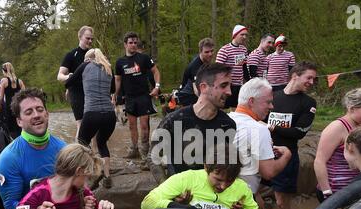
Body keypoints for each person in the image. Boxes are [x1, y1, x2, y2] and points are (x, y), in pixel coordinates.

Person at [142, 143, 273, 209]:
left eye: (229, 181)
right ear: (206, 167)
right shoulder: (186, 179)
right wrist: (176, 207)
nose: (223, 186)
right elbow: (147, 202)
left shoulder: (241, 187)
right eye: (218, 179)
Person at [147, 63, 236, 184]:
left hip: (211, 194)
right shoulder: (175, 119)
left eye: (230, 86)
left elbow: (226, 166)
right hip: (179, 191)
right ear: (204, 87)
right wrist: (167, 188)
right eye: (223, 85)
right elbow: (153, 157)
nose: (229, 92)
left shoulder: (227, 125)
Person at [267, 61, 317, 209]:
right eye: (308, 77)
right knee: (252, 192)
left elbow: (298, 133)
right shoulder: (273, 96)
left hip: (286, 157)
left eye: (314, 79)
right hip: (263, 154)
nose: (312, 82)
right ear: (295, 76)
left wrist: (271, 127)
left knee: (282, 203)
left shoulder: (308, 103)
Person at [229, 78, 291, 195]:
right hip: (242, 196)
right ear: (251, 101)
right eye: (268, 102)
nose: (272, 106)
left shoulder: (227, 119)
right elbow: (268, 172)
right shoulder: (259, 129)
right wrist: (287, 155)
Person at [65, 48, 116, 188]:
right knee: (102, 143)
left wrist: (72, 75)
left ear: (88, 58)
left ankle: (93, 172)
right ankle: (107, 176)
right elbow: (112, 90)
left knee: (81, 144)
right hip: (110, 115)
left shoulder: (85, 65)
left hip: (92, 113)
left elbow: (68, 83)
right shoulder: (108, 69)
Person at [114, 31, 161, 164]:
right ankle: (134, 149)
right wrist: (116, 96)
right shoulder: (119, 62)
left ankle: (145, 153)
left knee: (144, 126)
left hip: (143, 97)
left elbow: (156, 71)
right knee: (132, 126)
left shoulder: (144, 58)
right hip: (129, 98)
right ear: (125, 44)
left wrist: (157, 87)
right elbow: (117, 80)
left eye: (135, 42)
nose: (133, 45)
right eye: (130, 43)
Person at [57, 26, 94, 139]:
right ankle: (79, 154)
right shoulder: (71, 55)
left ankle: (95, 155)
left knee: (94, 125)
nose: (90, 41)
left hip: (92, 93)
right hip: (76, 92)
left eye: (92, 39)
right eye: (88, 38)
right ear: (80, 37)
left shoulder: (95, 54)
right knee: (81, 124)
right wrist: (69, 76)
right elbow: (59, 76)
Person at [216, 24, 249, 108]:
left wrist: (248, 82)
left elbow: (244, 67)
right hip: (227, 85)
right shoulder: (224, 50)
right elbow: (217, 69)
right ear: (235, 35)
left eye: (246, 35)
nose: (244, 37)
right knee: (225, 108)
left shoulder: (244, 49)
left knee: (236, 108)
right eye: (242, 34)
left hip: (239, 85)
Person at [177, 38, 215, 106]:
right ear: (200, 52)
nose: (210, 54)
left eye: (212, 51)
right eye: (206, 52)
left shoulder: (206, 61)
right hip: (187, 96)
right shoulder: (196, 66)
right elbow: (197, 90)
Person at [0, 62, 25, 139]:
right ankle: (22, 139)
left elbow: (1, 97)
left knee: (10, 126)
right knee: (19, 124)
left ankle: (14, 142)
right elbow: (25, 95)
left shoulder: (4, 81)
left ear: (3, 71)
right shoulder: (20, 81)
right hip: (18, 106)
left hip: (9, 107)